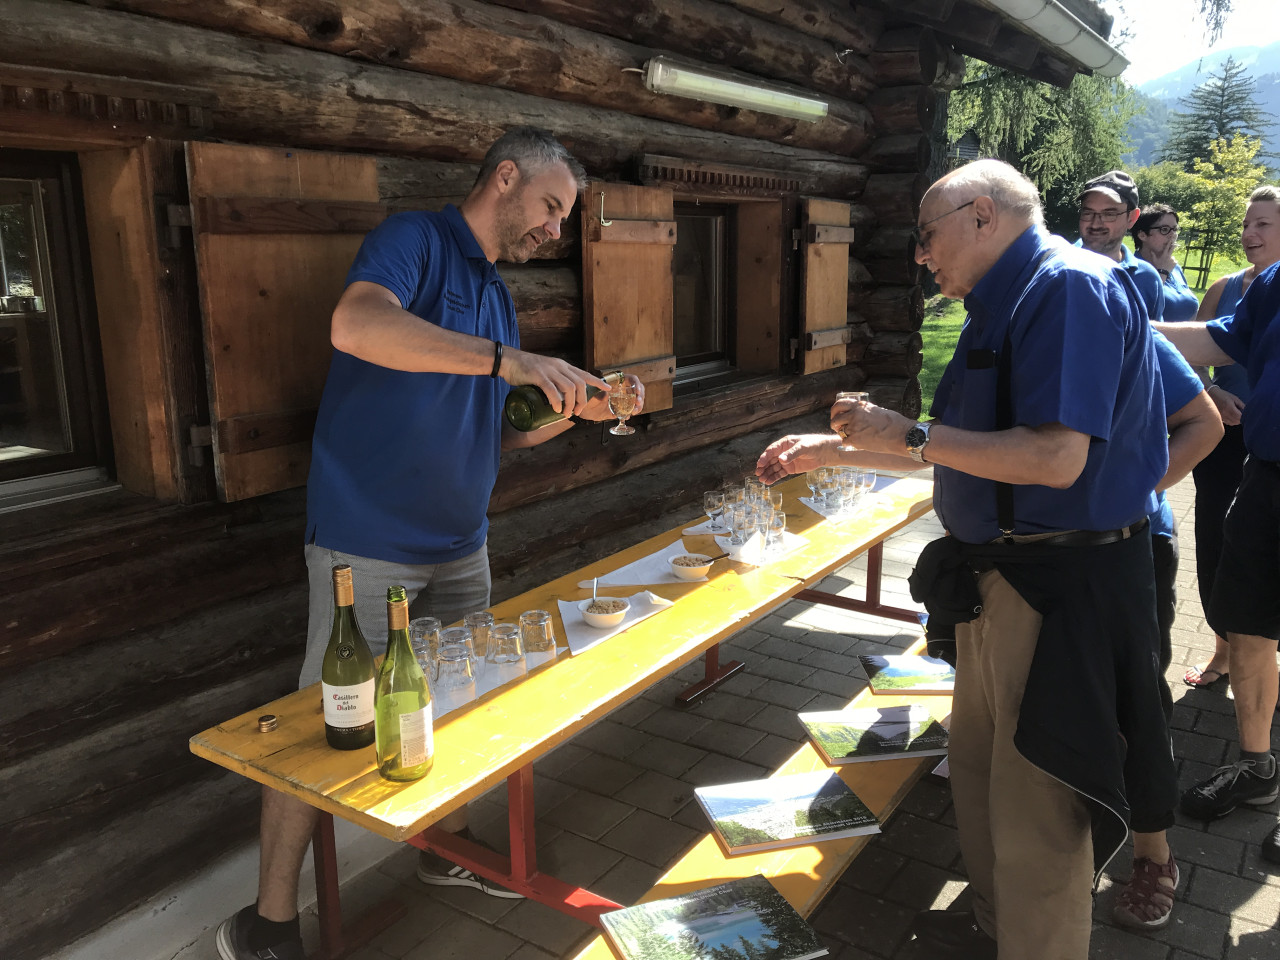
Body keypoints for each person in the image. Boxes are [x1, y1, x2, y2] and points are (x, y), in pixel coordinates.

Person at [216, 127, 645, 960]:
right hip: (367, 542)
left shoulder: (496, 294)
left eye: (564, 218)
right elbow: (355, 326)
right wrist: (508, 362)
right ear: (505, 177)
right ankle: (266, 923)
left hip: (460, 543)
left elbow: (502, 429)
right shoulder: (416, 240)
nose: (555, 229)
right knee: (325, 723)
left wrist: (578, 410)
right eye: (551, 207)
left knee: (457, 702)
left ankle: (445, 850)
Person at [760, 159, 1177, 959]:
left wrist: (910, 434)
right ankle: (997, 932)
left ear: (982, 215)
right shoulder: (1000, 301)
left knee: (1038, 803)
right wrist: (830, 451)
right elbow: (963, 450)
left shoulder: (1067, 288)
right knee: (983, 780)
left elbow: (1054, 458)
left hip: (1057, 591)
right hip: (1000, 581)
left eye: (927, 235)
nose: (921, 255)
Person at [1156, 256, 1280, 867]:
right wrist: (1122, 318)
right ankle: (1257, 769)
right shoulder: (1277, 280)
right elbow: (1221, 338)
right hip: (1268, 475)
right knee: (1248, 625)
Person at [1183, 186, 1280, 688]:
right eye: (1246, 223)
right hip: (1226, 438)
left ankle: (1263, 664)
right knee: (1218, 539)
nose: (1249, 233)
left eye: (1263, 223)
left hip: (1267, 445)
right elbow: (1199, 354)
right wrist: (1213, 394)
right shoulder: (1230, 288)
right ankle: (1224, 650)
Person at [1133, 204, 1199, 323]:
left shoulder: (1174, 268)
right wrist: (1162, 272)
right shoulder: (1134, 270)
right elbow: (1139, 316)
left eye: (1175, 229)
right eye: (1164, 229)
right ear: (1142, 235)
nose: (1172, 235)